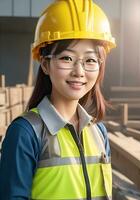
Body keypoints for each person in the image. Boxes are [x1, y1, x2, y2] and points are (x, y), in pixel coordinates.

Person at [0, 0, 116, 199]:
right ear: (45, 65)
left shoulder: (99, 132)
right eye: (66, 58)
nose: (79, 72)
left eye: (90, 60)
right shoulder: (25, 134)